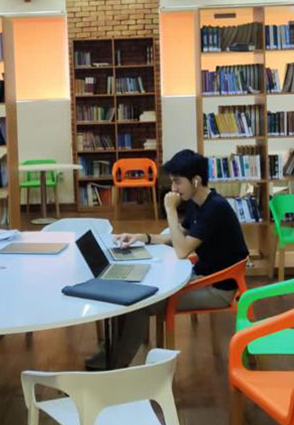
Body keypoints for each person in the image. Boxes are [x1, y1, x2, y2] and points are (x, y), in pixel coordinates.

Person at [85, 149, 249, 369]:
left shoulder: (215, 209)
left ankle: (116, 365)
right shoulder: (199, 203)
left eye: (177, 182)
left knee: (139, 303)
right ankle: (110, 353)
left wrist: (170, 210)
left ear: (196, 180)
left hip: (218, 288)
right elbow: (175, 236)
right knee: (127, 293)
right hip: (200, 276)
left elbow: (182, 251)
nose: (173, 189)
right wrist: (141, 237)